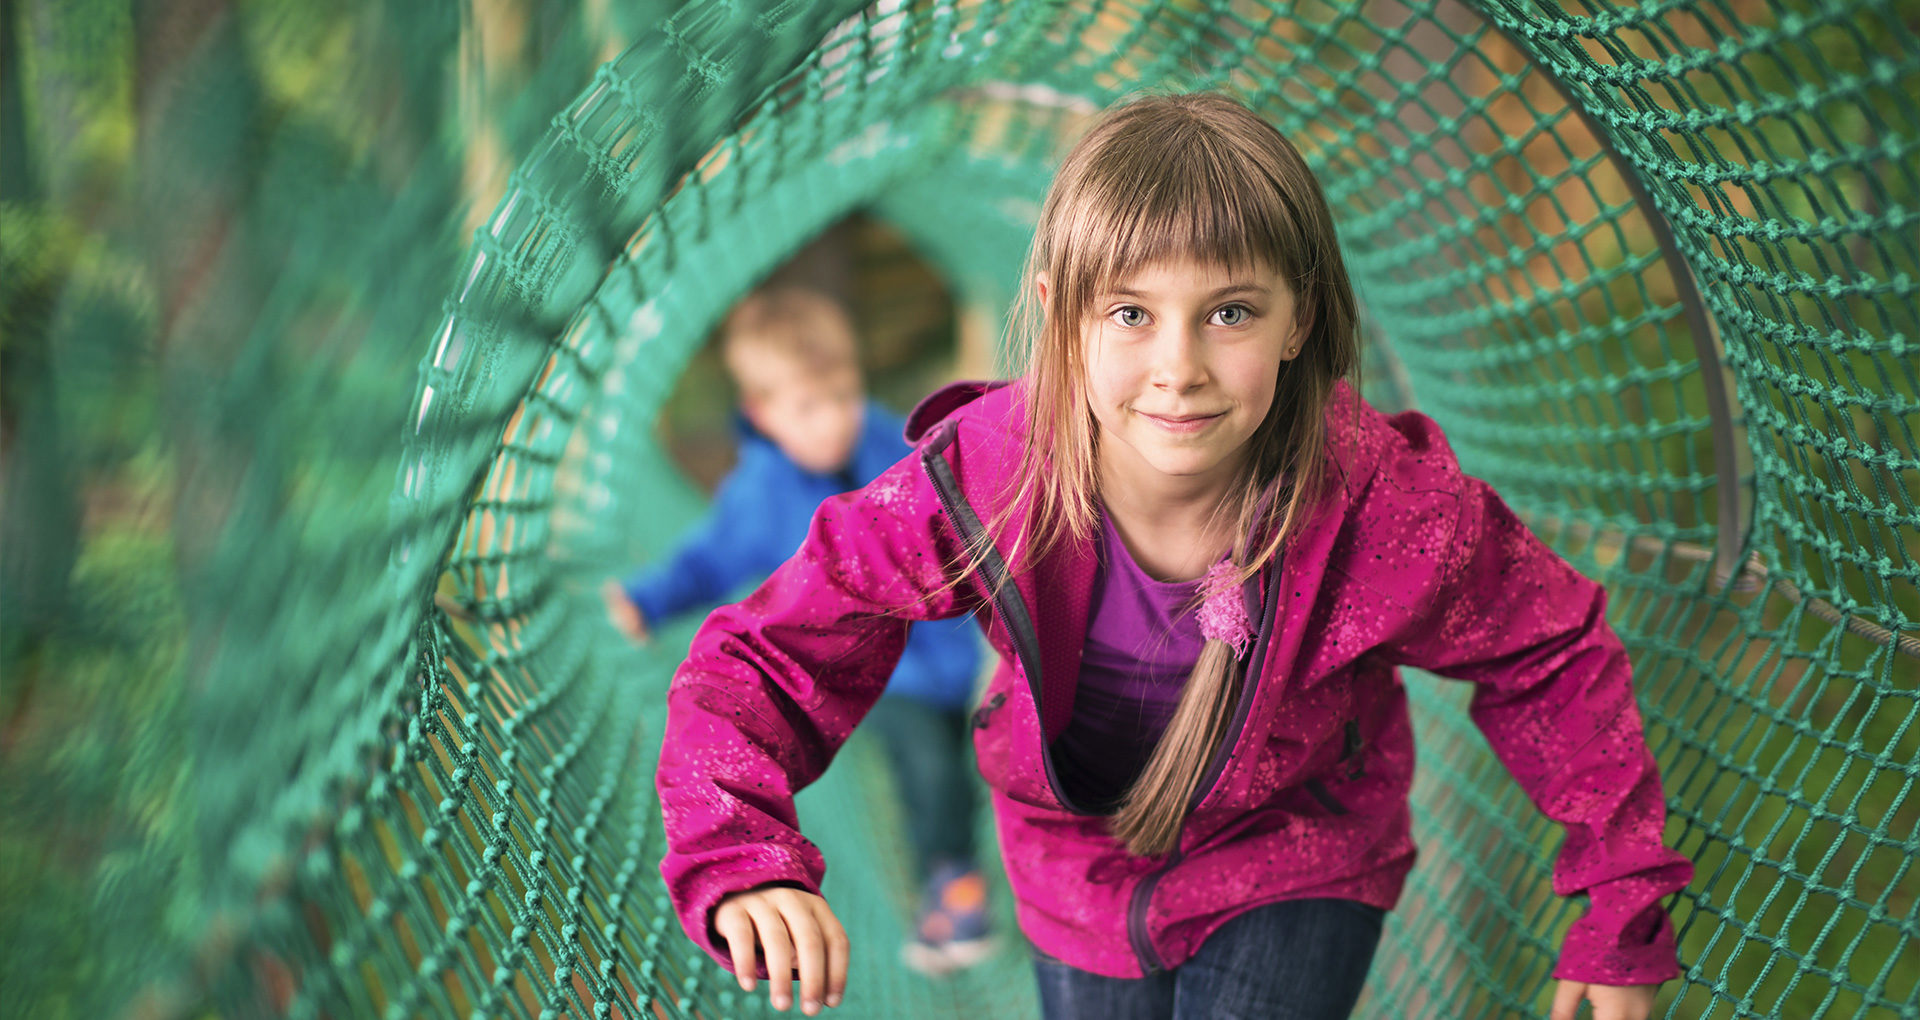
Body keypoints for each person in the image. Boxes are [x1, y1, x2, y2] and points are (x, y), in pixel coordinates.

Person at [653, 92, 1694, 1020]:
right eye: (1132, 313)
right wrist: (743, 858)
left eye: (1230, 312)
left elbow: (1547, 649)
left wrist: (1623, 895)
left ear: (1301, 320)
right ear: (1065, 316)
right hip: (1078, 880)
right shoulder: (986, 481)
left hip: (1296, 859)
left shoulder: (1381, 507)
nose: (1179, 367)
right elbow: (767, 657)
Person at [603, 285, 992, 973]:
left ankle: (958, 864)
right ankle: (952, 889)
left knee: (969, 764)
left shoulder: (893, 441)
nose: (833, 423)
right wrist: (645, 600)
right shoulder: (757, 494)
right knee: (926, 770)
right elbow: (705, 560)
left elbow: (958, 499)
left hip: (953, 657)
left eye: (843, 398)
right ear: (763, 414)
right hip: (871, 674)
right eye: (809, 409)